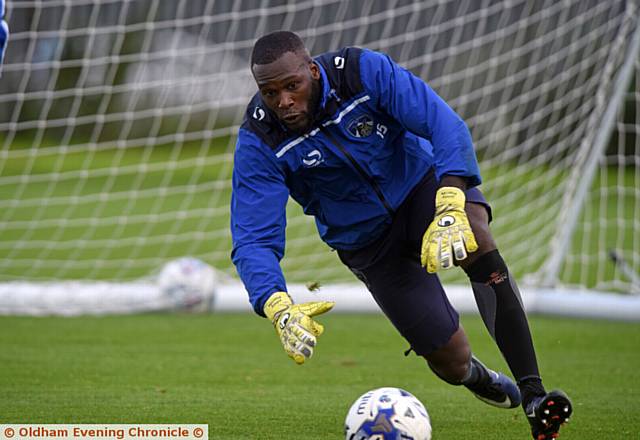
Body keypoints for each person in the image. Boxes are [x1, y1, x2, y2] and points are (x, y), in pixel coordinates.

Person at [230, 31, 572, 439]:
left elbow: (442, 122)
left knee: (475, 235)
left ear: (312, 70)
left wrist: (449, 199)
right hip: (367, 244)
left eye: (292, 86)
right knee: (450, 360)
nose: (283, 102)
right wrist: (276, 304)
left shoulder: (360, 73)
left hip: (422, 190)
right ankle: (478, 377)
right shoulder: (260, 139)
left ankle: (534, 397)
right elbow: (252, 236)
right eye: (270, 93)